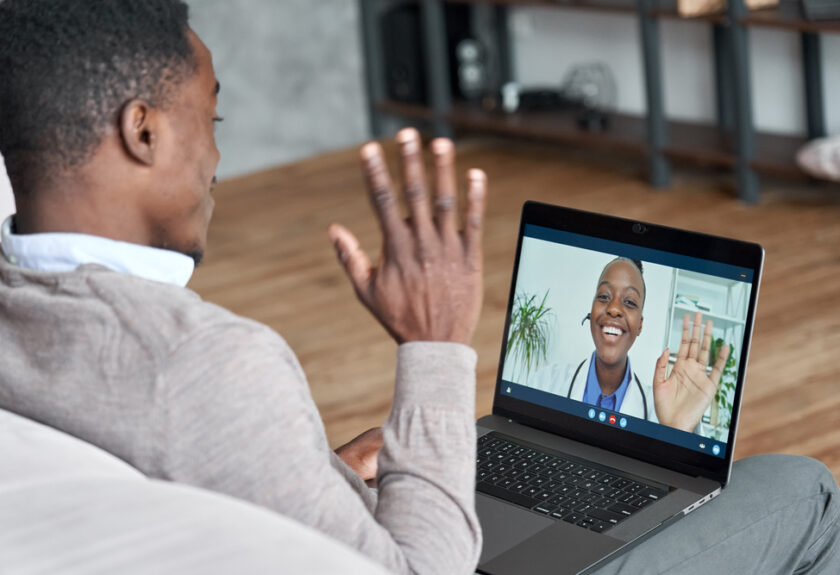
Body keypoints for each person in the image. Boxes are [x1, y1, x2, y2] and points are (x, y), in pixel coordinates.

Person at [0, 2, 837, 574]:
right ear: (142, 130)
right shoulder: (209, 365)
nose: (216, 158)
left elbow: (183, 486)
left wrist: (316, 473)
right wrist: (434, 344)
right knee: (801, 489)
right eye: (208, 121)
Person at [530, 257, 730, 433]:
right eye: (604, 297)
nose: (614, 309)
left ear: (640, 325)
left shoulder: (660, 411)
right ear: (591, 310)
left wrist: (677, 432)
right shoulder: (545, 383)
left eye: (630, 302)